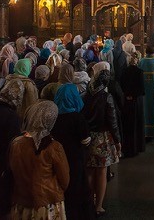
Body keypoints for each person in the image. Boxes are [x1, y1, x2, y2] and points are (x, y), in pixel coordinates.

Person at [9, 101, 70, 219]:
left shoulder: (16, 143)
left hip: (21, 202)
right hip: (47, 203)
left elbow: (12, 170)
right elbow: (64, 180)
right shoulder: (54, 147)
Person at [52, 84, 95, 219]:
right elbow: (85, 140)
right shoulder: (77, 117)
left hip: (58, 160)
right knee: (77, 187)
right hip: (75, 159)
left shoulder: (54, 117)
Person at [82, 69, 120, 215]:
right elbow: (112, 121)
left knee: (89, 171)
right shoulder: (106, 97)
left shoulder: (86, 95)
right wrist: (117, 140)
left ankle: (88, 202)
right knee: (102, 172)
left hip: (88, 137)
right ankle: (98, 206)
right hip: (102, 138)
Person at [119, 52, 145, 157]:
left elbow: (121, 85)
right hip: (137, 101)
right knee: (137, 124)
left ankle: (128, 148)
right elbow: (142, 88)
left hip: (127, 101)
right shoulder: (140, 72)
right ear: (137, 60)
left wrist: (127, 95)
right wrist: (135, 95)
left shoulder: (124, 71)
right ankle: (137, 147)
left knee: (128, 125)